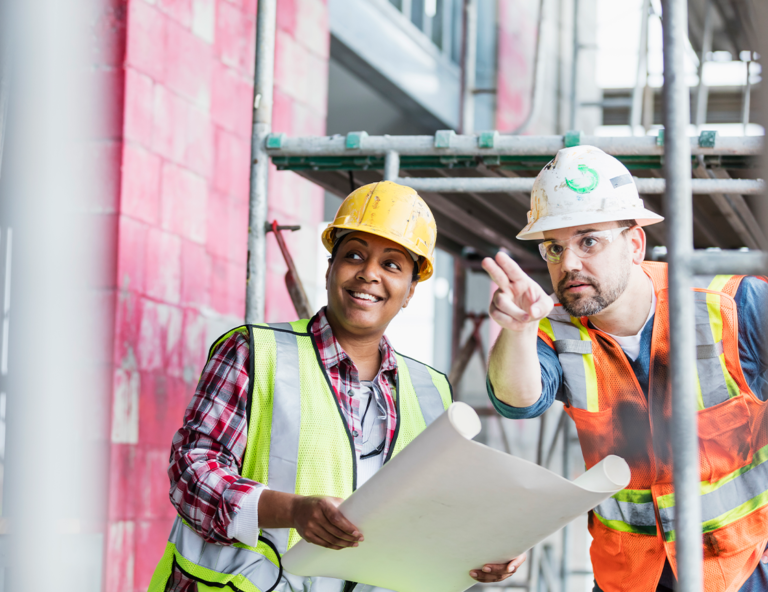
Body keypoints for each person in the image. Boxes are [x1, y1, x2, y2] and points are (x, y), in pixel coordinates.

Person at [149, 181, 526, 592]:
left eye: (392, 265)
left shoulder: (431, 390)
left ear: (410, 292)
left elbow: (437, 509)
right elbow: (191, 472)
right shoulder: (255, 353)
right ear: (330, 268)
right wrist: (291, 511)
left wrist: (482, 544)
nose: (369, 273)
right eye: (354, 256)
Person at [482, 145, 768, 592]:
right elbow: (519, 402)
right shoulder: (555, 329)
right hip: (628, 578)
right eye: (553, 248)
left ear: (635, 244)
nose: (568, 263)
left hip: (738, 571)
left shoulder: (735, 307)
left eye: (589, 241)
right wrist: (517, 328)